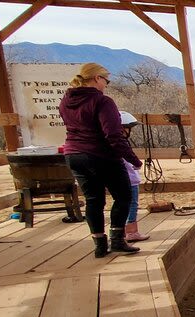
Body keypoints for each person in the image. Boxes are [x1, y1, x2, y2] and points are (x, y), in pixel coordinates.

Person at [59, 62, 141, 258]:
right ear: (97, 78)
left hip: (73, 155)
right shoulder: (102, 102)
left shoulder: (66, 101)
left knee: (93, 200)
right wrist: (132, 159)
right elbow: (113, 135)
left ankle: (99, 244)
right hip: (100, 155)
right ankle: (118, 240)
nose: (106, 84)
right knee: (123, 196)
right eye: (106, 80)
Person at [118, 111, 150, 242]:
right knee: (132, 204)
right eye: (127, 128)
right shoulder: (121, 144)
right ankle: (131, 231)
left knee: (122, 204)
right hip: (130, 179)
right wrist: (137, 164)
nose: (129, 131)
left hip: (122, 179)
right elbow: (129, 161)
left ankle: (122, 230)